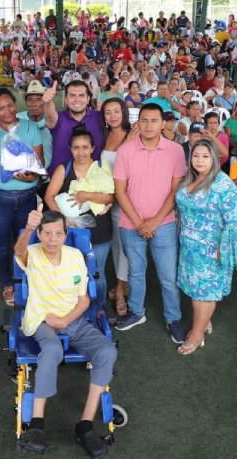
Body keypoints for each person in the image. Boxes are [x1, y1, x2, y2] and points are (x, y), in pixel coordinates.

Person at [13, 208, 118, 458]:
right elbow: (19, 250)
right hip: (42, 320)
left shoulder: (74, 256)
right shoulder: (32, 252)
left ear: (65, 234)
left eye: (58, 233)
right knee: (52, 349)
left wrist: (65, 321)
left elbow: (83, 300)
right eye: (47, 233)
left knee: (107, 351)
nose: (52, 238)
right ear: (40, 234)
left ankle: (85, 425)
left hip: (72, 320)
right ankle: (36, 425)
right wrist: (28, 229)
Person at [112, 103, 187, 343]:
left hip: (164, 224)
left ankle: (173, 318)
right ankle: (136, 312)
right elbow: (120, 190)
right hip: (130, 223)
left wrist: (154, 222)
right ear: (138, 123)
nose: (148, 125)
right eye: (144, 120)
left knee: (168, 276)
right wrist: (138, 222)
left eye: (154, 120)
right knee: (135, 272)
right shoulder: (125, 150)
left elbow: (176, 190)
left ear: (163, 123)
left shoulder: (176, 151)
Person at [174, 138, 237, 355]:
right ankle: (204, 322)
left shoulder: (223, 184)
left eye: (205, 156)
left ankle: (196, 335)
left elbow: (235, 221)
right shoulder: (191, 178)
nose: (200, 160)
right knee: (195, 290)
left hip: (212, 248)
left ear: (214, 158)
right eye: (196, 156)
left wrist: (223, 248)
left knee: (204, 294)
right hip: (190, 247)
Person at [0, 87, 45, 307]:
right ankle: (8, 284)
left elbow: (39, 163)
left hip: (27, 197)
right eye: (1, 108)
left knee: (26, 241)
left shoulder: (30, 127)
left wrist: (31, 175)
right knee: (1, 246)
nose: (7, 111)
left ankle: (23, 280)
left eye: (10, 105)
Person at [44, 127, 114, 307]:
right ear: (70, 149)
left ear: (92, 148)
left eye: (85, 147)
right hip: (70, 230)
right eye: (76, 148)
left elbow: (110, 197)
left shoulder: (101, 167)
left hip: (100, 229)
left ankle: (98, 309)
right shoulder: (64, 168)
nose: (80, 152)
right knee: (71, 272)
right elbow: (49, 196)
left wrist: (87, 195)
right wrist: (63, 219)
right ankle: (73, 309)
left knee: (97, 272)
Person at [100, 97, 132, 319]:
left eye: (116, 111)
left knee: (124, 247)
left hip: (124, 199)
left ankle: (121, 291)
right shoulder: (103, 136)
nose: (112, 116)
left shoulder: (132, 135)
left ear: (123, 113)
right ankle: (123, 283)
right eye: (107, 112)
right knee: (112, 244)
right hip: (105, 199)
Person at [44, 80, 104, 174]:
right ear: (65, 99)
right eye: (72, 95)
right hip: (61, 179)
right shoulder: (58, 118)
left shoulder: (100, 117)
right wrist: (48, 101)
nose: (77, 99)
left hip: (94, 177)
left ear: (88, 99)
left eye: (81, 95)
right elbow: (50, 117)